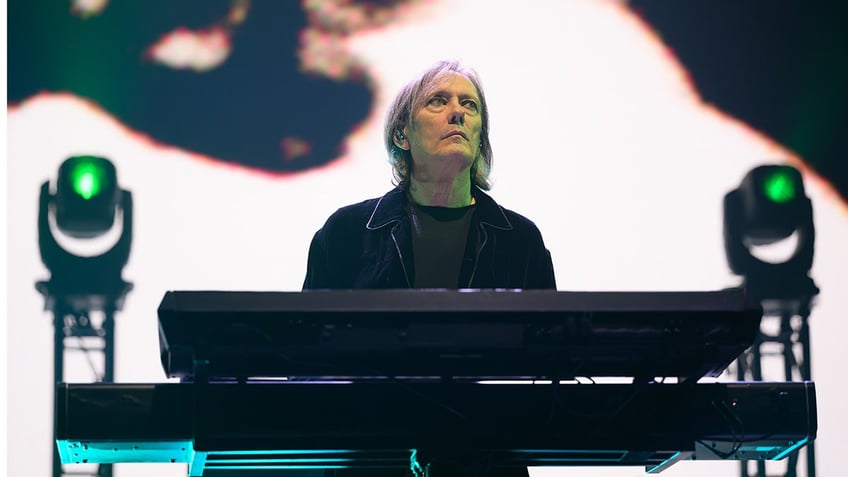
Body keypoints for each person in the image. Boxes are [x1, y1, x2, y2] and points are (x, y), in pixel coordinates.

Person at [303, 60, 556, 290]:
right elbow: (307, 335)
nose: (458, 113)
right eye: (438, 101)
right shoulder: (346, 233)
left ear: (480, 138)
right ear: (402, 135)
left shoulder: (521, 241)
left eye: (469, 104)